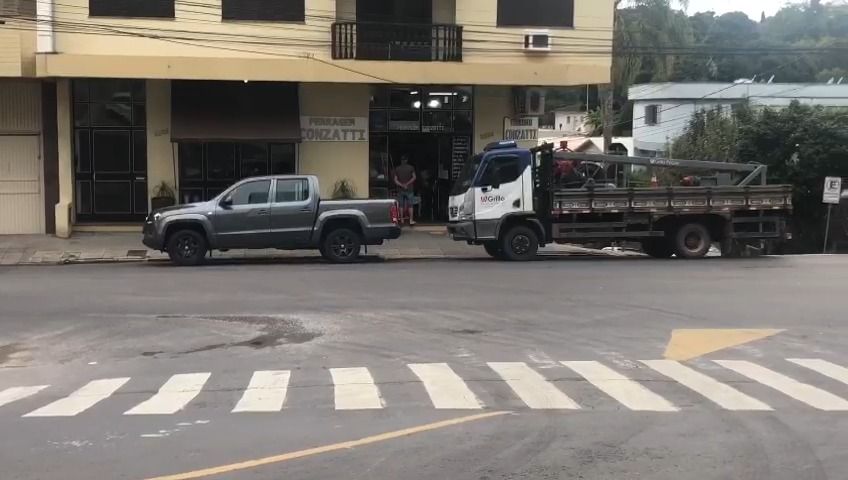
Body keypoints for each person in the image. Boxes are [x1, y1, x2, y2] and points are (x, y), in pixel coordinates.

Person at [393, 155, 417, 225]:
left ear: (401, 160)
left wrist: (402, 185)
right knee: (410, 205)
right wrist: (407, 184)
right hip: (409, 189)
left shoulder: (397, 168)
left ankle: (402, 220)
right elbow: (414, 177)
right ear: (407, 160)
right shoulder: (411, 167)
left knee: (401, 205)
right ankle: (411, 220)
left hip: (400, 190)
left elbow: (395, 180)